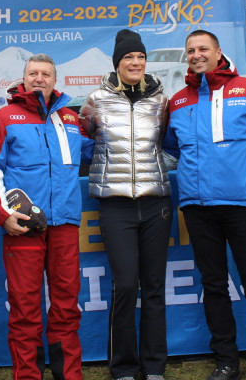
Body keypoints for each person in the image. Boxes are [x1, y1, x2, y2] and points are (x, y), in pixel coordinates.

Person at [163, 30, 246, 380]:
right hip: (197, 207)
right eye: (190, 50)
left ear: (219, 53)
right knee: (213, 284)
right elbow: (172, 152)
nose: (196, 54)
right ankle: (226, 362)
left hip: (243, 204)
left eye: (203, 48)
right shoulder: (178, 101)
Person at [0, 54, 93, 380]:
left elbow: (93, 150)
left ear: (54, 80)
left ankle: (68, 375)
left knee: (66, 307)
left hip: (65, 225)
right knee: (25, 309)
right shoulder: (4, 117)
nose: (39, 78)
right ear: (24, 78)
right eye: (34, 73)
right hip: (24, 225)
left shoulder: (70, 119)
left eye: (46, 73)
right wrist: (2, 215)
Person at [78, 29, 172, 380]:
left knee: (154, 286)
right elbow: (84, 141)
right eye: (128, 58)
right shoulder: (96, 100)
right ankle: (123, 368)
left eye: (140, 57)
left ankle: (154, 368)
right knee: (126, 285)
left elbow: (167, 140)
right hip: (115, 205)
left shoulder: (162, 101)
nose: (135, 63)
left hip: (156, 203)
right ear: (117, 63)